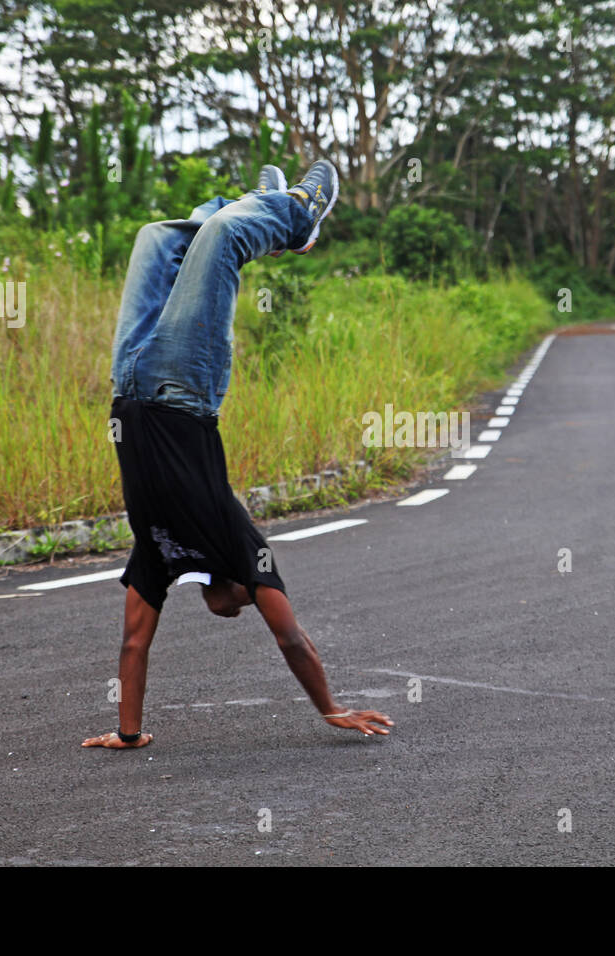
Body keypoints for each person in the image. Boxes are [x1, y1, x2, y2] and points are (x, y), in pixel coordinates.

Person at [82, 161, 394, 749]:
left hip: (129, 381)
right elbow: (292, 640)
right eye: (251, 605)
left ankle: (258, 198)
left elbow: (132, 643)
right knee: (224, 242)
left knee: (156, 237)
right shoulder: (240, 543)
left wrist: (128, 733)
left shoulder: (160, 554)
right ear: (247, 588)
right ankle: (297, 215)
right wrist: (329, 709)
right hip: (184, 384)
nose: (231, 614)